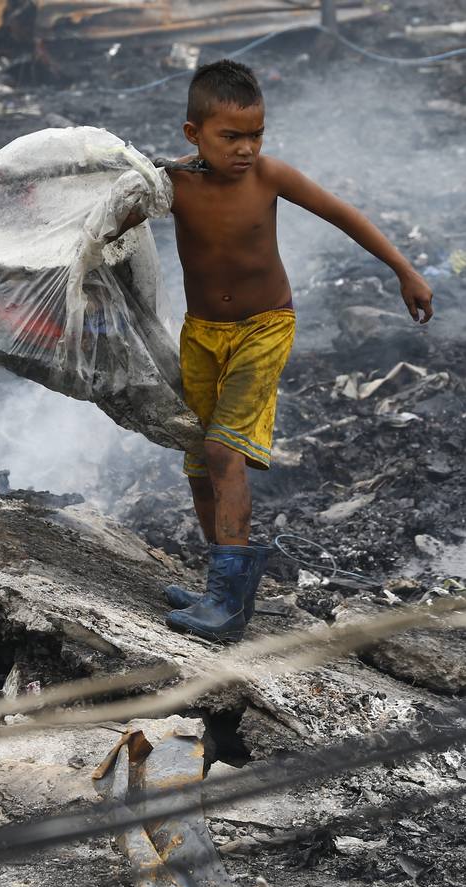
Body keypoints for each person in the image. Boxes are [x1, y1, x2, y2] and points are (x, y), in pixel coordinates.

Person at [114, 59, 433, 643]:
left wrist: (403, 270)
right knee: (198, 463)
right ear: (194, 135)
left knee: (222, 449)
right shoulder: (175, 184)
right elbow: (110, 224)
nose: (245, 149)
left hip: (264, 328)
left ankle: (229, 602)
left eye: (256, 135)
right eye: (230, 137)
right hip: (202, 334)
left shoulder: (270, 177)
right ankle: (221, 588)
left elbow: (343, 215)